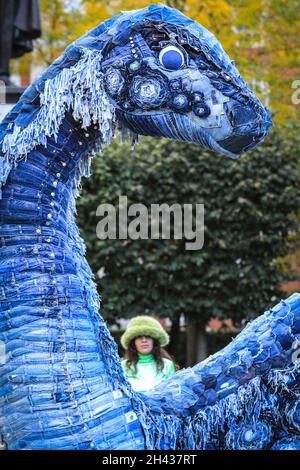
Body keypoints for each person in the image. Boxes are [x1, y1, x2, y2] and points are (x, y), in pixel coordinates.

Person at [121, 315, 177, 393]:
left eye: (148, 336)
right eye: (139, 337)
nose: (144, 340)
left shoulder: (167, 365)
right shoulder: (123, 367)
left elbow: (173, 394)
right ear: (133, 342)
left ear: (154, 340)